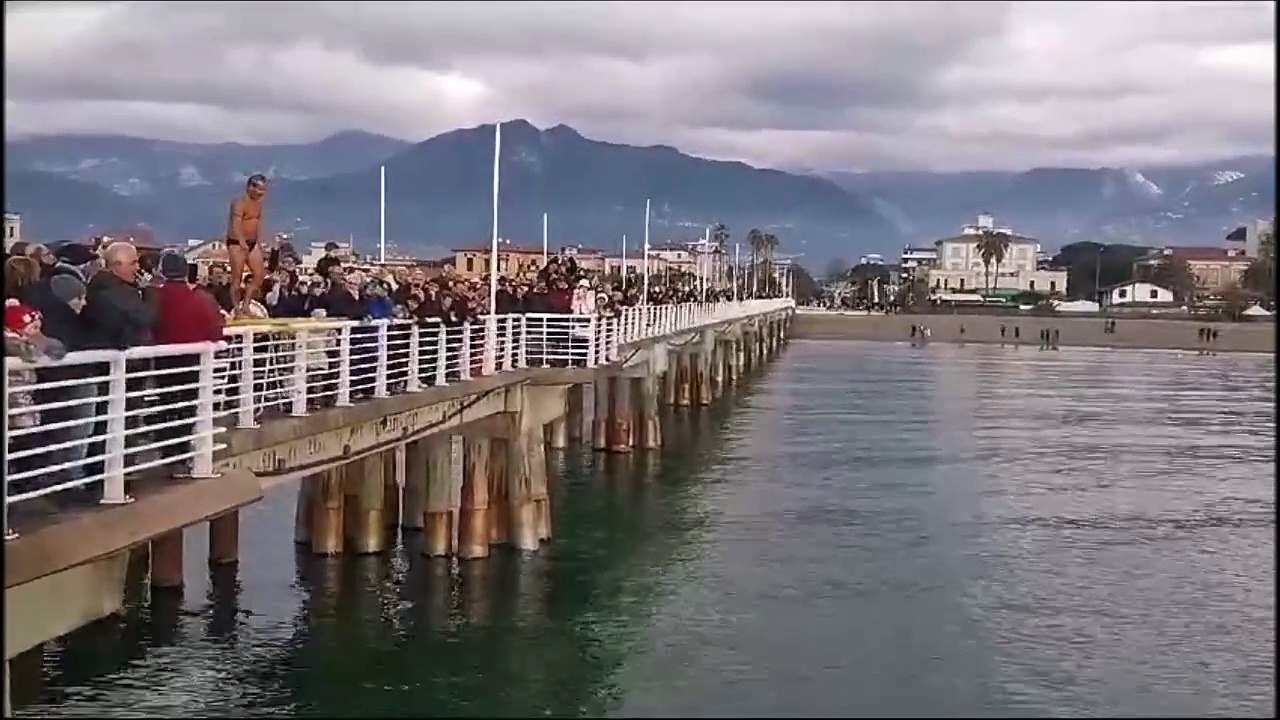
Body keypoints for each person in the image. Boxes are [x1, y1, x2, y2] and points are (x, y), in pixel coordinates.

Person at [227, 173, 269, 316]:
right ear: (250, 187)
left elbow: (258, 221)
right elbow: (235, 224)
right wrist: (241, 242)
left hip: (252, 242)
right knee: (236, 278)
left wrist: (261, 240)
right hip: (236, 243)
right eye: (259, 189)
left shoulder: (259, 203)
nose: (262, 193)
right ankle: (237, 309)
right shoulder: (240, 202)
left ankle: (246, 304)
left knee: (259, 275)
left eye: (264, 190)